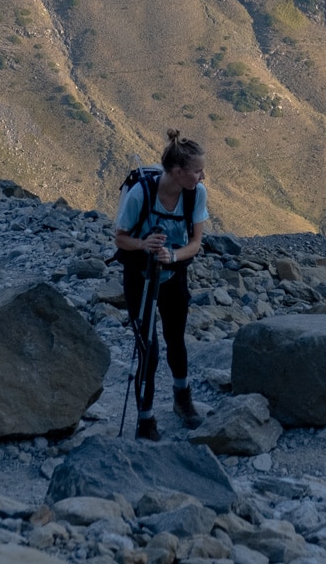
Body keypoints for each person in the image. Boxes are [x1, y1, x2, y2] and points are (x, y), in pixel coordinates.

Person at [113, 129, 210, 440]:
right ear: (178, 172)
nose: (202, 175)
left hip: (173, 271)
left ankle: (183, 400)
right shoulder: (140, 194)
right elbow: (120, 239)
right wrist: (144, 245)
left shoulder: (196, 193)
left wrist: (172, 255)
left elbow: (196, 243)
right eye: (197, 171)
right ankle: (146, 418)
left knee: (176, 340)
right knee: (149, 351)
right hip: (139, 276)